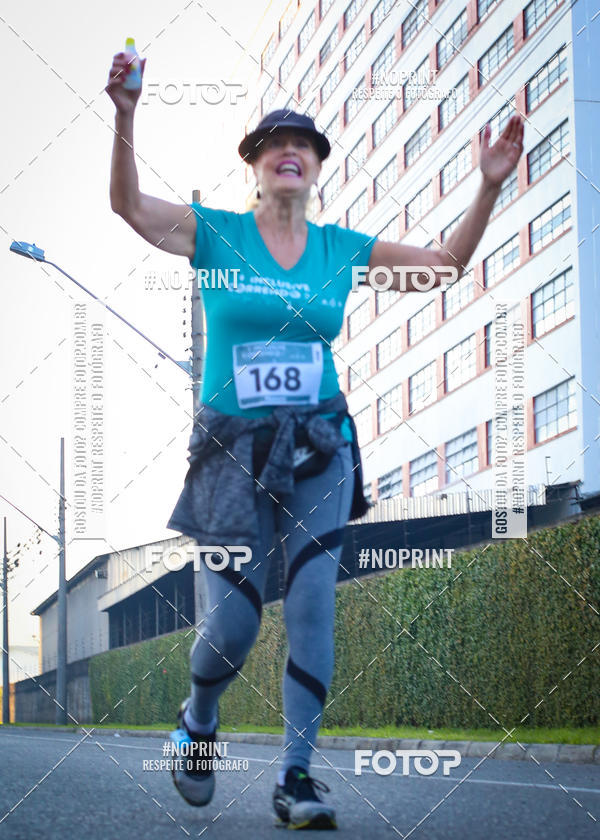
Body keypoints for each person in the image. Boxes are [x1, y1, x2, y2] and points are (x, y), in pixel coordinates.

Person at [106, 51, 523, 830]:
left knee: (311, 603)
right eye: (272, 145)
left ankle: (296, 777)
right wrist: (127, 114)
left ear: (316, 168)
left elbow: (446, 266)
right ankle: (198, 720)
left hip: (320, 448)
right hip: (231, 450)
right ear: (255, 169)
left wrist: (489, 187)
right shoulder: (216, 235)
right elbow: (128, 206)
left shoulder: (339, 250)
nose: (288, 151)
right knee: (231, 628)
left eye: (303, 145)